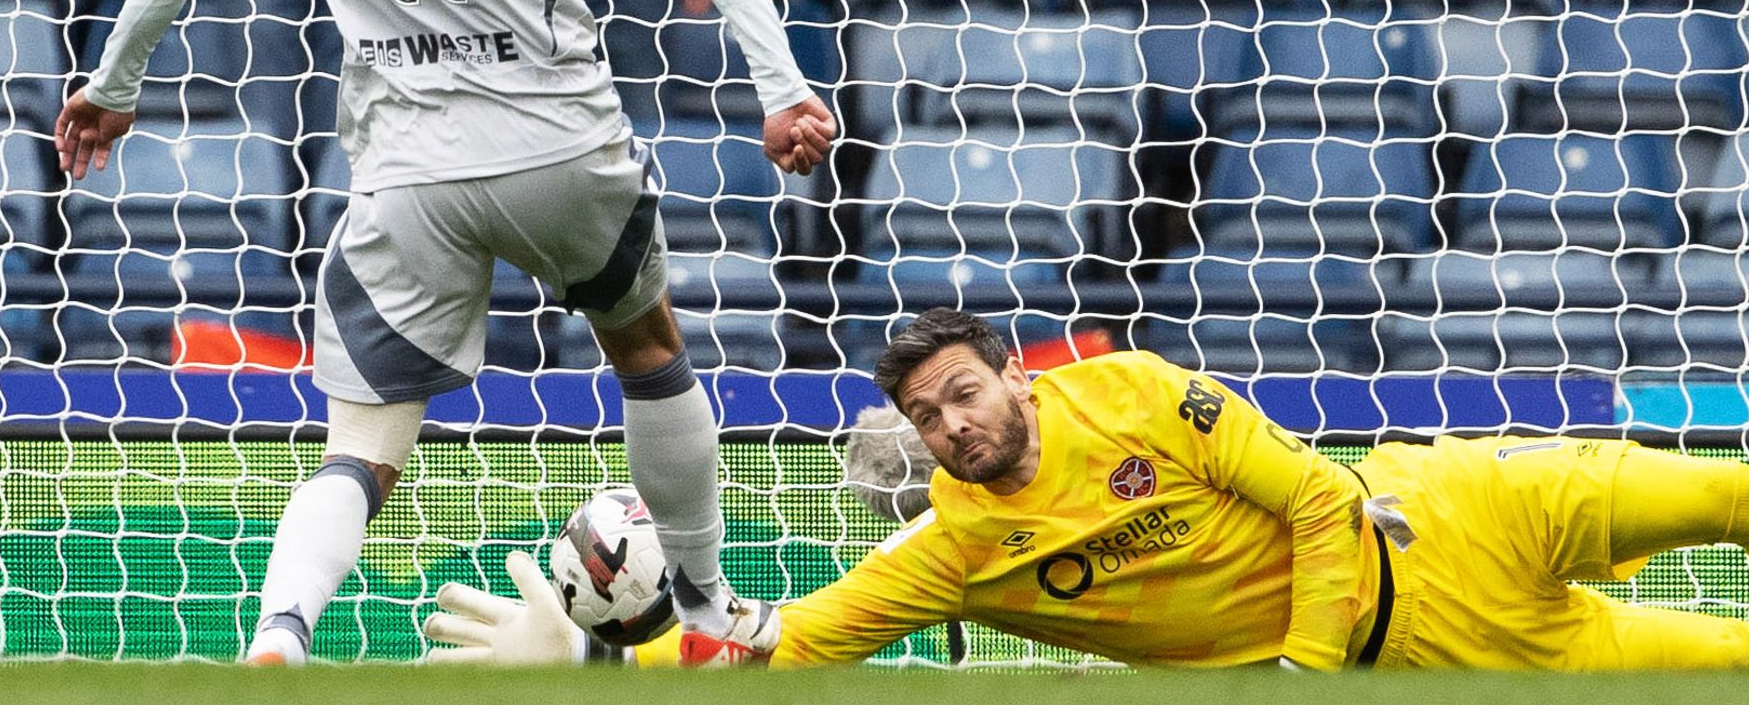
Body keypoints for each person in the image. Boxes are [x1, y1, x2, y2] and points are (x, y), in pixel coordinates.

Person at [52, 0, 836, 667]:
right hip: (560, 148)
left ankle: (280, 634)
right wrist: (781, 91)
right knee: (648, 355)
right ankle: (704, 609)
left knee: (364, 447)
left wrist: (114, 82)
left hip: (405, 170)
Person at [424, 307, 1749, 670]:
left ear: (1013, 378)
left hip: (1464, 503)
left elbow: (1319, 502)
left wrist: (1295, 676)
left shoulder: (1132, 387)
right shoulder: (956, 553)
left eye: (962, 392)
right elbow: (786, 643)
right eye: (924, 417)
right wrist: (596, 663)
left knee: (1727, 495)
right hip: (1452, 649)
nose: (951, 425)